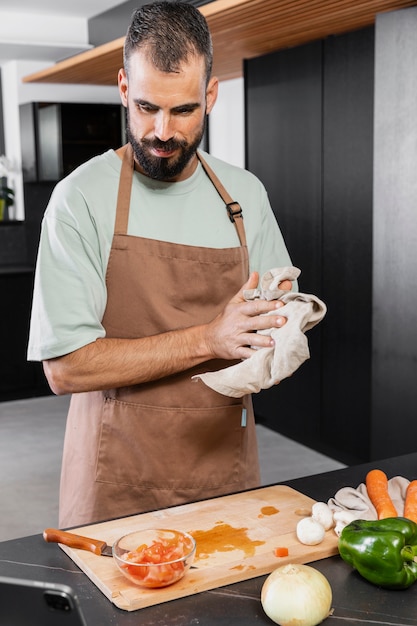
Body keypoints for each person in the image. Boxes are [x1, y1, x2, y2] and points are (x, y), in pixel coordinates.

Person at [28, 1, 296, 529]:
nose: (163, 131)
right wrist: (208, 339)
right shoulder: (79, 198)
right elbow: (65, 368)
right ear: (124, 88)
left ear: (211, 96)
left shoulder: (243, 196)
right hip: (116, 476)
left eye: (183, 110)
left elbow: (274, 318)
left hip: (224, 467)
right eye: (148, 106)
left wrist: (286, 332)